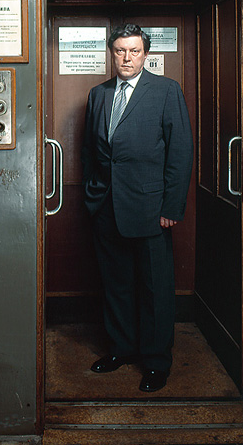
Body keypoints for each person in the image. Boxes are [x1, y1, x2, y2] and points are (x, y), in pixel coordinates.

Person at [81, 24, 193, 392]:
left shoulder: (166, 91)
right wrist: (93, 197)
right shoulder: (98, 95)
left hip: (150, 209)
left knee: (154, 289)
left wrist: (172, 206)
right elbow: (90, 152)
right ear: (111, 53)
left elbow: (180, 152)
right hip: (106, 207)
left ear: (145, 54)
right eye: (120, 51)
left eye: (134, 51)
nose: (127, 58)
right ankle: (121, 349)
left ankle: (156, 362)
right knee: (116, 285)